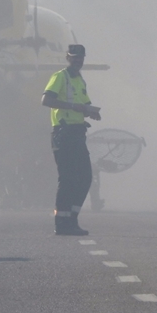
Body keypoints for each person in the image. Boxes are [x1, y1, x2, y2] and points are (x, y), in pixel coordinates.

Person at [41, 44, 101, 236]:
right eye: (74, 57)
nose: (78, 61)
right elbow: (46, 100)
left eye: (80, 58)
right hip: (64, 133)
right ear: (68, 58)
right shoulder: (60, 77)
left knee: (84, 178)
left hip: (77, 134)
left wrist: (91, 112)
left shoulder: (80, 80)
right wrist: (74, 107)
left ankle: (72, 220)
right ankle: (62, 223)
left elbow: (85, 103)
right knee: (67, 179)